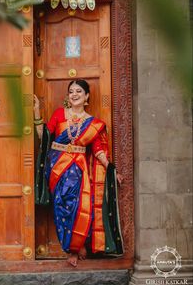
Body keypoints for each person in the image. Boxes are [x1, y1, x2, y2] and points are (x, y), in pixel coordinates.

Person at [34, 79, 124, 267]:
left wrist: (110, 170)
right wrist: (36, 113)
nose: (74, 95)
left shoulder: (93, 123)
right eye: (71, 91)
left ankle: (76, 248)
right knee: (61, 205)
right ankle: (71, 246)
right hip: (57, 168)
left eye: (78, 92)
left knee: (79, 206)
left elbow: (99, 150)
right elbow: (45, 137)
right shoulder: (59, 114)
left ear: (86, 97)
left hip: (78, 169)